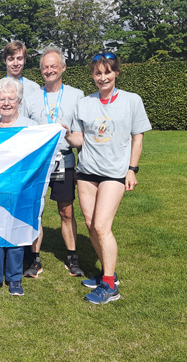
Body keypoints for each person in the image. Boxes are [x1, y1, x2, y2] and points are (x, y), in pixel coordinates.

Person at [62, 52, 151, 304]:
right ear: (92, 75)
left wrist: (132, 169)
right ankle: (106, 273)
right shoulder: (84, 103)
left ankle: (110, 287)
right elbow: (80, 141)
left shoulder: (132, 101)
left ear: (116, 73)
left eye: (107, 72)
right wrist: (67, 134)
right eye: (97, 73)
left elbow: (138, 138)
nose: (103, 78)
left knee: (102, 226)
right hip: (87, 171)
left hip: (114, 173)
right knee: (90, 224)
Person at [24, 46, 86, 279]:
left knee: (66, 211)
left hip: (64, 159)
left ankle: (72, 257)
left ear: (63, 68)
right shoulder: (31, 98)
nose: (49, 70)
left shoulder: (76, 95)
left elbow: (80, 138)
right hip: (39, 162)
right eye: (45, 67)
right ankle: (33, 259)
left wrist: (68, 134)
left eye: (53, 66)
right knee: (34, 211)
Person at [0, 78, 38, 296]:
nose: (6, 103)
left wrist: (56, 131)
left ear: (19, 101)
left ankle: (15, 278)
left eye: (11, 98)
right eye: (2, 98)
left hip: (20, 189)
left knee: (16, 231)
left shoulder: (32, 128)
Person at [0, 41, 40, 123]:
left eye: (19, 58)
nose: (15, 63)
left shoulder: (35, 88)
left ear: (24, 60)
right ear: (4, 61)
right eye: (11, 59)